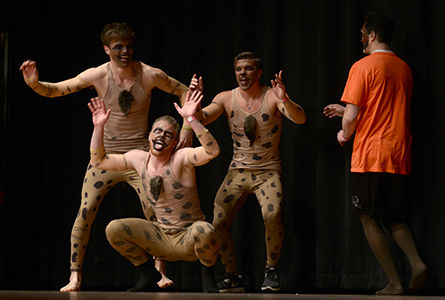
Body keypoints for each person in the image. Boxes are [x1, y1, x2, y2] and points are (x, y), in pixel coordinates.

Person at [19, 22, 192, 292]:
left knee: (155, 210)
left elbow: (184, 91)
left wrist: (188, 127)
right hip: (106, 157)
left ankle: (160, 271)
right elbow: (55, 90)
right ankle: (75, 275)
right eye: (119, 47)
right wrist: (34, 84)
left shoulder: (149, 74)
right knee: (85, 213)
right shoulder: (98, 75)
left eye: (129, 45)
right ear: (107, 49)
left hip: (140, 157)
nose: (125, 51)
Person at [88, 83, 220, 292]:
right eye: (157, 131)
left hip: (188, 238)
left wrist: (191, 119)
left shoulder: (181, 158)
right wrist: (98, 127)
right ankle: (148, 274)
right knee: (114, 229)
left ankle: (208, 277)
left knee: (206, 230)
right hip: (161, 238)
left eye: (168, 134)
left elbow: (212, 151)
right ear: (149, 135)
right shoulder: (138, 159)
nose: (161, 136)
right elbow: (99, 161)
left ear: (175, 141)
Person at [193, 51, 306, 292]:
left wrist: (284, 99)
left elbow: (300, 119)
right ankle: (233, 276)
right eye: (238, 69)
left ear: (258, 72)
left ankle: (271, 270)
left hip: (268, 172)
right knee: (218, 222)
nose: (242, 73)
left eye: (247, 69)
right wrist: (195, 102)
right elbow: (203, 117)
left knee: (272, 215)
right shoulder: (225, 98)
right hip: (238, 171)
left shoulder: (272, 96)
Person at [336, 11, 427, 295]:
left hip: (371, 155)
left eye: (363, 33)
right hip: (399, 154)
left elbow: (351, 117)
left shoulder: (362, 66)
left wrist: (343, 133)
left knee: (367, 217)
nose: (361, 38)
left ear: (372, 34)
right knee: (395, 217)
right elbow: (381, 107)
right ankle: (416, 263)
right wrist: (350, 113)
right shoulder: (404, 68)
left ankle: (395, 282)